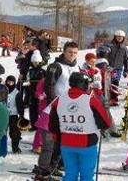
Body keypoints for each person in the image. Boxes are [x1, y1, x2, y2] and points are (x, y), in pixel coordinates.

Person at [49, 72, 112, 181]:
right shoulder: (90, 100)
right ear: (84, 84)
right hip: (87, 143)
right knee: (86, 176)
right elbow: (105, 123)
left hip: (66, 143)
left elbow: (53, 126)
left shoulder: (59, 100)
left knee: (70, 174)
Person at [35, 41, 81, 179]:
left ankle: (52, 167)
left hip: (69, 111)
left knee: (62, 143)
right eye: (70, 52)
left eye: (75, 53)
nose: (72, 55)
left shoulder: (77, 67)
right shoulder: (56, 66)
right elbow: (49, 86)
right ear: (64, 52)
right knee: (49, 143)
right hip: (53, 110)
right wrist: (55, 103)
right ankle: (42, 169)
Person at [107, 30, 128, 106]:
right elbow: (103, 55)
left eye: (121, 37)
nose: (119, 38)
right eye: (118, 37)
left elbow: (127, 60)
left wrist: (127, 70)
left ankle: (114, 100)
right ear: (115, 37)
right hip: (108, 68)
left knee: (115, 84)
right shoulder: (109, 46)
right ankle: (106, 98)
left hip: (118, 69)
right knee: (107, 84)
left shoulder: (124, 48)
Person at [24, 50, 46, 129]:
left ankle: (42, 124)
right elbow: (26, 82)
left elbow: (46, 83)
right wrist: (26, 85)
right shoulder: (29, 71)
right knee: (32, 110)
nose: (35, 63)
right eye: (34, 62)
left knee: (41, 109)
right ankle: (34, 125)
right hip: (31, 93)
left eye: (37, 62)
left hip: (40, 93)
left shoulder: (43, 71)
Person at [4, 75, 25, 153]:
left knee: (15, 133)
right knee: (1, 132)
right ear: (6, 81)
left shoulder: (17, 92)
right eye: (8, 81)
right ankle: (0, 148)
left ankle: (15, 148)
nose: (10, 83)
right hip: (3, 114)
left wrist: (21, 115)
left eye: (12, 82)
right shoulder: (2, 90)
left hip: (13, 115)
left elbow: (20, 105)